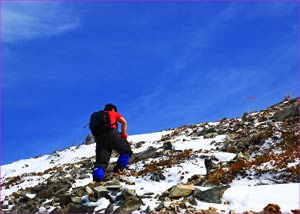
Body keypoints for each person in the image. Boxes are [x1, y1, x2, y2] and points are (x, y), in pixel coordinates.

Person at [92, 103, 133, 182]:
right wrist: (124, 135)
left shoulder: (96, 118)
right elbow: (124, 122)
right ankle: (118, 169)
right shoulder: (113, 113)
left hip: (100, 139)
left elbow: (94, 135)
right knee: (126, 151)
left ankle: (97, 179)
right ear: (113, 109)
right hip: (112, 134)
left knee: (100, 162)